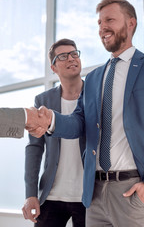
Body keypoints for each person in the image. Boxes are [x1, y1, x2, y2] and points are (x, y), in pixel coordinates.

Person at [32, 0, 144, 227]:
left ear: (131, 23)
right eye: (99, 22)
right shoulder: (94, 78)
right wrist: (51, 120)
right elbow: (79, 122)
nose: (102, 28)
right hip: (95, 195)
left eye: (110, 20)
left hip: (135, 191)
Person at [22, 39, 86, 227]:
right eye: (63, 56)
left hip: (89, 195)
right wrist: (31, 194)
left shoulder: (95, 95)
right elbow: (34, 149)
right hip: (51, 194)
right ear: (53, 67)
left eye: (75, 54)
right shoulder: (43, 100)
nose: (71, 59)